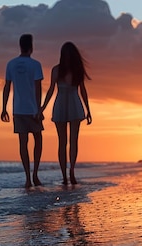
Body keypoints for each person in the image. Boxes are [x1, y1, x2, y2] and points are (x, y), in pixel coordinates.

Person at [41, 42, 92, 185]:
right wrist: (43, 107)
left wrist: (88, 110)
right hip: (62, 104)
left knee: (72, 141)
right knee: (63, 142)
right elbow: (51, 90)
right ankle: (65, 175)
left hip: (74, 103)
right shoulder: (56, 70)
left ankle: (71, 172)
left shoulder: (77, 70)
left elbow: (83, 90)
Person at [1, 33, 44, 189]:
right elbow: (38, 89)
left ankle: (27, 177)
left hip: (18, 109)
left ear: (20, 46)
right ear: (31, 47)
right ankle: (35, 174)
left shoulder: (11, 64)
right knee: (38, 139)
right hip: (32, 109)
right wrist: (39, 108)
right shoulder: (36, 65)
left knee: (23, 143)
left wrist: (3, 107)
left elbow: (7, 87)